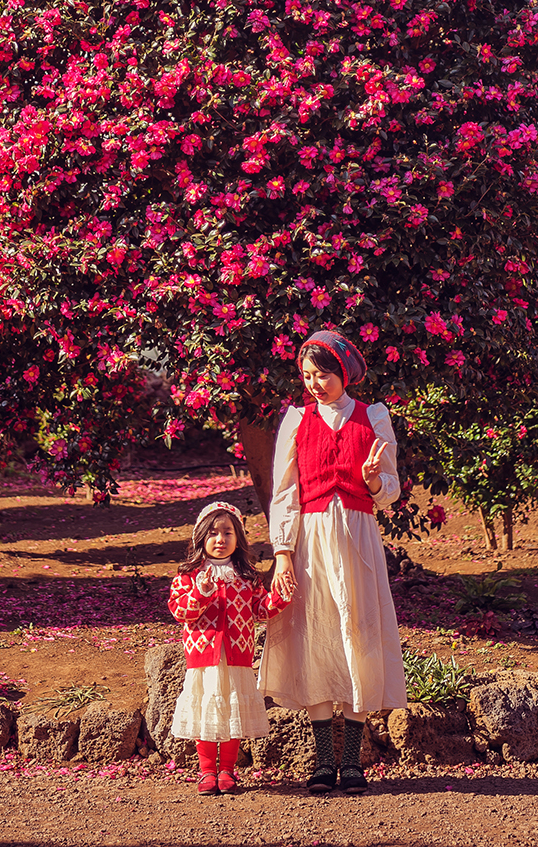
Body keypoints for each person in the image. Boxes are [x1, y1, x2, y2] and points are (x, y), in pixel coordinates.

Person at [258, 329, 407, 795]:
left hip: (359, 537)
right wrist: (283, 554)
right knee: (316, 634)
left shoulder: (374, 417)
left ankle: (352, 761)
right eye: (307, 375)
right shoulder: (297, 420)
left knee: (358, 631)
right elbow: (284, 493)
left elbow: (391, 490)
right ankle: (324, 762)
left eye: (322, 374)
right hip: (312, 539)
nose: (314, 383)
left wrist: (372, 481)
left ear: (343, 373)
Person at [169, 500, 291, 794]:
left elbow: (260, 610)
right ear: (201, 538)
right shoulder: (189, 576)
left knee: (232, 712)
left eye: (227, 533)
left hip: (237, 657)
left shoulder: (247, 576)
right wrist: (201, 593)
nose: (220, 539)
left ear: (238, 539)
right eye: (212, 533)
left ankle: (228, 771)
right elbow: (179, 611)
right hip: (205, 658)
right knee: (208, 711)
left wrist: (280, 597)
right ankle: (207, 771)